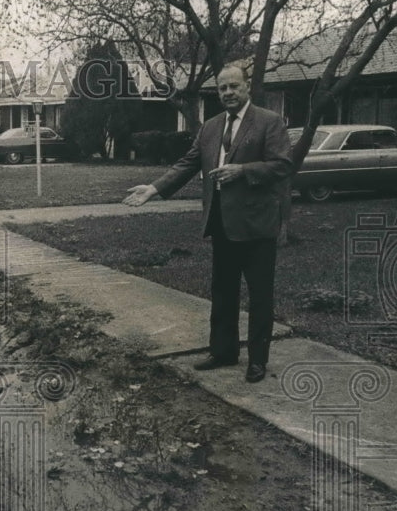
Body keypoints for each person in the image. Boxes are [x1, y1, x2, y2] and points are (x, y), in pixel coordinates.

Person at [122, 64, 294, 383]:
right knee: (223, 291)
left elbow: (283, 165)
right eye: (222, 88)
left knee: (259, 296)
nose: (227, 93)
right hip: (221, 223)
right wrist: (154, 188)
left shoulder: (269, 122)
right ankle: (223, 351)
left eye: (233, 87)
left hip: (257, 226)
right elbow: (187, 163)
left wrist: (243, 170)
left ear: (247, 88)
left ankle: (257, 360)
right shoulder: (211, 127)